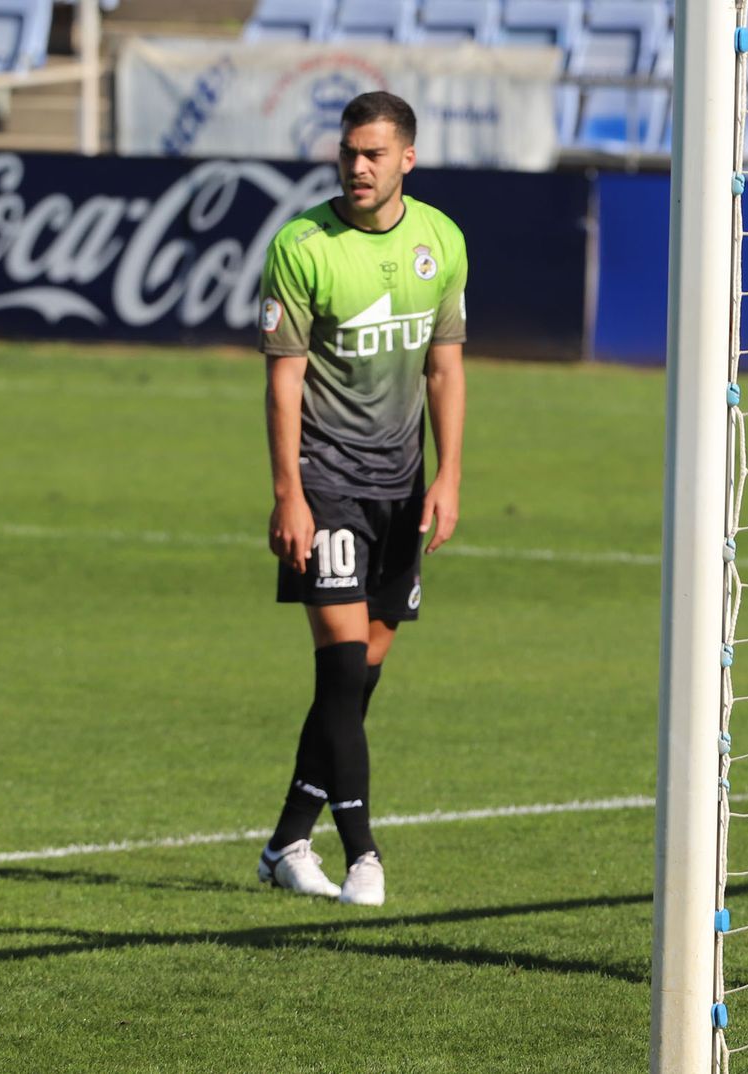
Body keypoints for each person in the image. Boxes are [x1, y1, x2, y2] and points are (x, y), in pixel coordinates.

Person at [254, 91, 468, 907]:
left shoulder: (440, 242)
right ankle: (365, 853)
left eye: (374, 153)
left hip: (402, 490)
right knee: (341, 670)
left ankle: (283, 844)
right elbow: (282, 385)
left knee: (357, 681)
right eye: (349, 152)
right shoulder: (302, 245)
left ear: (406, 158)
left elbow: (444, 367)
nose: (358, 166)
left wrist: (448, 477)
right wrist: (289, 497)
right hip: (328, 484)